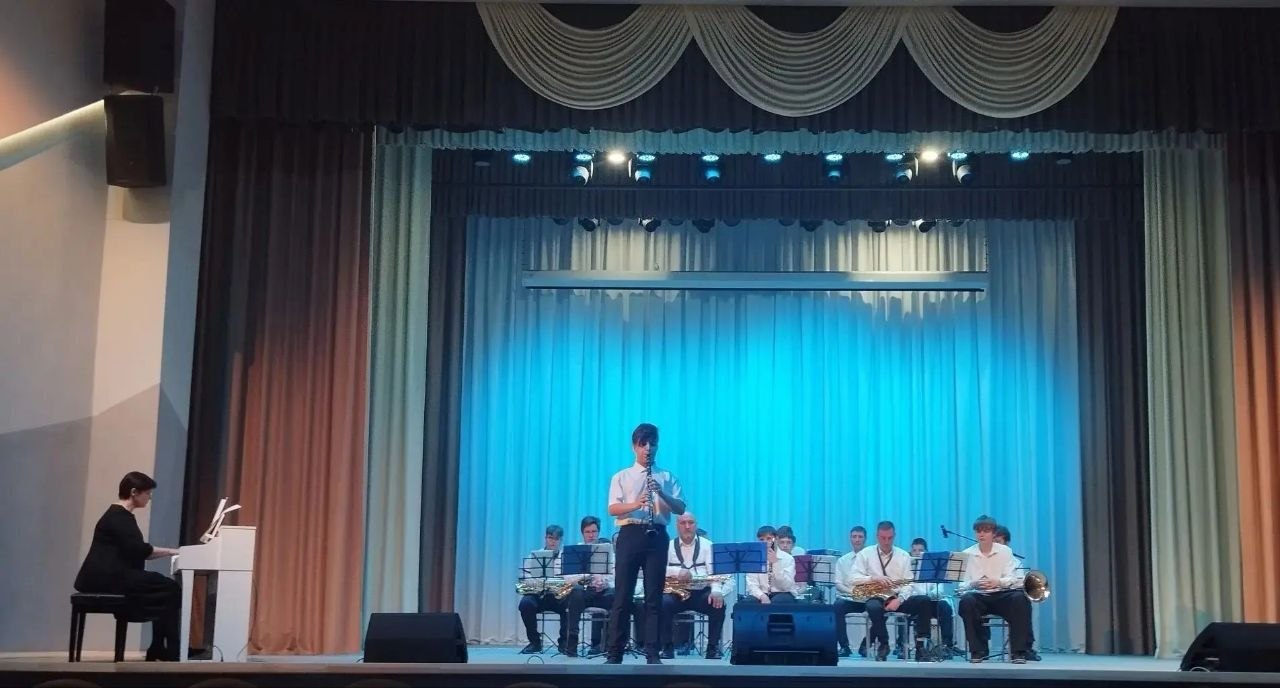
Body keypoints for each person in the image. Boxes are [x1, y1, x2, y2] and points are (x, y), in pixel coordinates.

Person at [74, 472, 182, 661]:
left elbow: (137, 550)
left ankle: (160, 647)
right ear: (134, 492)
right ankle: (167, 648)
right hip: (105, 578)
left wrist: (170, 551)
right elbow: (141, 550)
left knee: (167, 588)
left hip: (109, 576)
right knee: (170, 588)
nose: (149, 497)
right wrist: (174, 551)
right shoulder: (118, 517)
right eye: (147, 493)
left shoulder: (120, 515)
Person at [605, 423, 685, 664]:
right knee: (622, 596)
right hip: (630, 533)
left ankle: (652, 652)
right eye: (643, 444)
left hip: (657, 535)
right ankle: (615, 653)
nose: (648, 449)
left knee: (654, 598)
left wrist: (661, 493)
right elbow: (612, 509)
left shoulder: (667, 476)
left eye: (652, 444)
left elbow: (681, 508)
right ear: (634, 447)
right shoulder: (621, 476)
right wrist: (636, 504)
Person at [850, 521, 930, 661]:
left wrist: (899, 600)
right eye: (883, 538)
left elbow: (909, 583)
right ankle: (884, 644)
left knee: (924, 601)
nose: (886, 542)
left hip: (898, 596)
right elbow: (853, 578)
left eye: (890, 538)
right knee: (872, 606)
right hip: (877, 596)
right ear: (877, 536)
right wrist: (873, 578)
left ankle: (920, 646)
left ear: (894, 536)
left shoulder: (903, 555)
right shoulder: (865, 554)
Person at [957, 515, 1032, 664]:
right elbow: (961, 585)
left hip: (1001, 594)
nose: (981, 534)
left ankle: (1018, 652)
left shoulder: (1005, 551)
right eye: (978, 531)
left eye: (986, 531)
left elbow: (1013, 578)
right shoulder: (967, 553)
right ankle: (977, 650)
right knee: (966, 601)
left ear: (993, 534)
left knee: (1020, 599)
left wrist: (998, 582)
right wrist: (974, 583)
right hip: (979, 596)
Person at [659, 512, 732, 659]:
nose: (687, 526)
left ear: (696, 525)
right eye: (683, 523)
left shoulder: (707, 545)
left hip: (701, 592)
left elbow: (715, 572)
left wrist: (717, 591)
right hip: (676, 592)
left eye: (690, 523)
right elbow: (658, 569)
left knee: (718, 603)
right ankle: (667, 647)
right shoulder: (668, 545)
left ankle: (712, 648)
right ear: (677, 526)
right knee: (662, 603)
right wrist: (677, 571)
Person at [562, 516, 615, 656]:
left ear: (598, 532)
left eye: (594, 531)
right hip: (582, 594)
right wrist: (587, 577)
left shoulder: (607, 551)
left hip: (601, 592)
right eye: (587, 532)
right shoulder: (575, 551)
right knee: (576, 592)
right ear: (582, 533)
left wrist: (604, 582)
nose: (591, 535)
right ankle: (572, 643)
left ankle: (607, 645)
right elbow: (567, 578)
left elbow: (614, 575)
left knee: (616, 594)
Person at [517, 524, 573, 655]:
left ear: (561, 540)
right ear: (545, 538)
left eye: (556, 539)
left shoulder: (566, 557)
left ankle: (564, 642)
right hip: (539, 595)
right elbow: (524, 577)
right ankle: (535, 642)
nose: (553, 541)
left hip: (558, 596)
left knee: (571, 604)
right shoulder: (534, 556)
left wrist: (558, 584)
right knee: (525, 604)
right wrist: (540, 584)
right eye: (550, 538)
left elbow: (570, 579)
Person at [904, 538, 963, 659]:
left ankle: (947, 645)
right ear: (910, 552)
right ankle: (903, 645)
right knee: (904, 608)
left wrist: (931, 594)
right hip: (915, 603)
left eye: (920, 550)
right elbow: (906, 589)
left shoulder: (934, 567)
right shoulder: (906, 567)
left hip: (930, 602)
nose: (917, 553)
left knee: (945, 607)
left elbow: (939, 590)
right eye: (914, 550)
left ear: (926, 552)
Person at [991, 525, 1040, 661]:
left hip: (1007, 599)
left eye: (998, 542)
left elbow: (1019, 582)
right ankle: (980, 650)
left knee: (1022, 601)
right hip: (987, 597)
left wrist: (1002, 582)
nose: (996, 545)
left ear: (1007, 543)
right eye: (993, 542)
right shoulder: (983, 560)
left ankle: (1024, 648)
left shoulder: (1015, 562)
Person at [834, 526, 869, 657]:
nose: (857, 539)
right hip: (850, 598)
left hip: (869, 599)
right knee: (837, 606)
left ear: (865, 539)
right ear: (850, 539)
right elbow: (838, 584)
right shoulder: (843, 560)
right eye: (854, 537)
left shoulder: (872, 558)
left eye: (860, 537)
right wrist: (852, 592)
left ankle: (866, 645)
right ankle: (844, 646)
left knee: (881, 608)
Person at [744, 526, 797, 604]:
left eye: (769, 538)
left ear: (776, 539)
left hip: (782, 592)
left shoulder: (788, 558)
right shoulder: (754, 558)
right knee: (748, 602)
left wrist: (776, 563)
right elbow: (752, 584)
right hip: (763, 592)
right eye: (762, 540)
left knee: (778, 601)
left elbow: (786, 586)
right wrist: (762, 596)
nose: (765, 542)